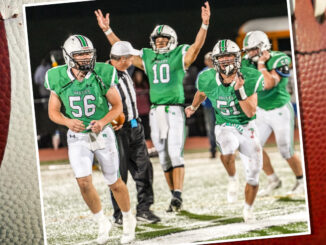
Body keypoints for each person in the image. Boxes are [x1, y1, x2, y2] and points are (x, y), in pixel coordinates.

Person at [95, 1, 210, 212]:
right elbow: (123, 51)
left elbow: (196, 48)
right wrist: (107, 30)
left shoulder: (179, 55)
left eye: (164, 40)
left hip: (174, 109)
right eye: (157, 40)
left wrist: (204, 25)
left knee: (175, 153)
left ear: (172, 41)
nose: (159, 43)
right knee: (164, 158)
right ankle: (174, 197)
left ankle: (178, 194)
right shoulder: (147, 56)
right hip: (156, 111)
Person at [45, 35, 136, 244]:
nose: (86, 58)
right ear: (68, 57)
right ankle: (101, 221)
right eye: (80, 54)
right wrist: (67, 122)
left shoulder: (103, 73)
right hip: (77, 136)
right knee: (84, 182)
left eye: (88, 53)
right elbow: (53, 112)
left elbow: (117, 106)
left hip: (101, 134)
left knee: (114, 182)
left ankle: (128, 218)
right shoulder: (56, 77)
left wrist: (103, 121)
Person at [185, 39, 264, 222]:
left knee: (253, 175)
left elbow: (250, 112)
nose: (226, 60)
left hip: (247, 126)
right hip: (224, 125)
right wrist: (193, 107)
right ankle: (233, 178)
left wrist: (240, 91)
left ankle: (248, 208)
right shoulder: (207, 78)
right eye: (222, 57)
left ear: (237, 58)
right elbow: (201, 93)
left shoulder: (250, 76)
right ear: (215, 60)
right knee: (227, 149)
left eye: (230, 55)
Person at [242, 30, 304, 196]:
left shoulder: (279, 59)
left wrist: (262, 64)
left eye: (253, 49)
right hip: (261, 111)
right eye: (248, 50)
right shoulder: (246, 63)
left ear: (263, 47)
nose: (249, 53)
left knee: (286, 150)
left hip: (280, 110)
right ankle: (273, 179)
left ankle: (301, 180)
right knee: (253, 148)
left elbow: (268, 83)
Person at [108, 41, 161, 225]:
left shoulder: (124, 71)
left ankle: (144, 210)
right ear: (122, 59)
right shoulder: (104, 75)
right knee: (118, 175)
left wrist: (108, 32)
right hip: (117, 131)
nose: (133, 59)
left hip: (135, 127)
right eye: (130, 57)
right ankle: (119, 214)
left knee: (144, 169)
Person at [196, 52, 217, 158]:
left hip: (221, 104)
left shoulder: (220, 71)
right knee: (211, 128)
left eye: (212, 59)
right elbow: (199, 89)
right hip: (208, 105)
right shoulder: (202, 74)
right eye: (209, 59)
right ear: (205, 61)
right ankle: (213, 148)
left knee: (226, 126)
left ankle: (228, 148)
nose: (211, 61)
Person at [133, 69, 151, 140]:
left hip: (146, 112)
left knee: (147, 130)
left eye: (140, 75)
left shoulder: (145, 85)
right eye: (137, 75)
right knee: (135, 130)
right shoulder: (132, 85)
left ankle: (148, 147)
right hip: (136, 114)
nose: (139, 77)